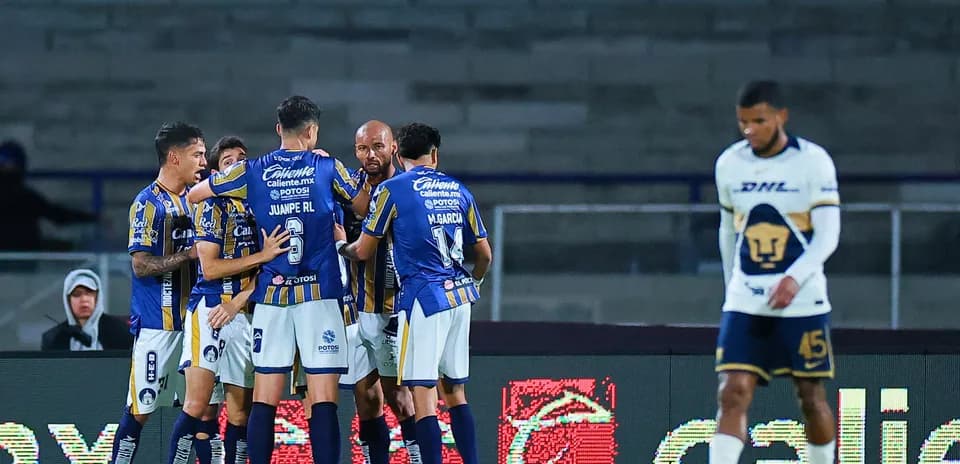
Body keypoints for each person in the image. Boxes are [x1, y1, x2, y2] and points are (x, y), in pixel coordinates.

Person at [187, 96, 369, 464]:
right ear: (312, 131)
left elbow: (196, 194)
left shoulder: (252, 170)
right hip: (320, 294)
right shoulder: (326, 166)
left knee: (265, 399)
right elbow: (363, 206)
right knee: (322, 399)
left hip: (271, 295)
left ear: (278, 130)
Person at [339, 122, 492, 464]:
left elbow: (362, 251)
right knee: (455, 392)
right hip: (459, 297)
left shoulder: (392, 191)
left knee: (422, 396)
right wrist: (475, 282)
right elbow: (484, 255)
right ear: (434, 153)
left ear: (397, 150)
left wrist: (340, 245)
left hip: (422, 299)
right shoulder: (458, 189)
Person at [710, 81, 841, 464]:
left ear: (782, 117)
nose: (750, 130)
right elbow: (728, 231)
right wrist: (731, 286)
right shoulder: (729, 164)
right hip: (746, 299)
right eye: (743, 122)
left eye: (759, 121)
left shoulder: (812, 162)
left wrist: (794, 278)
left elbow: (828, 234)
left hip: (802, 301)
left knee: (810, 396)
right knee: (731, 392)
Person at [167, 136, 290, 464]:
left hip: (245, 312)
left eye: (242, 158)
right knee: (198, 407)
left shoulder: (262, 204)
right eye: (228, 160)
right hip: (210, 309)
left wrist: (238, 301)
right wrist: (260, 257)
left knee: (239, 415)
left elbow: (275, 268)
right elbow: (208, 268)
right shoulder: (211, 204)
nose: (237, 164)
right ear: (217, 170)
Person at [109, 122, 207, 464]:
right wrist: (187, 255)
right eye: (197, 154)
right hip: (158, 326)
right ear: (174, 157)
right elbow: (141, 265)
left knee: (203, 412)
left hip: (197, 324)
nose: (204, 161)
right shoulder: (147, 204)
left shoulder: (199, 200)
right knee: (140, 410)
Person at [345, 120, 421, 463]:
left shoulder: (407, 187)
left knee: (400, 399)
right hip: (357, 306)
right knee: (367, 400)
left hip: (392, 309)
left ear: (393, 147)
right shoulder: (350, 185)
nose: (370, 154)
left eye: (378, 146)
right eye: (363, 148)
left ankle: (419, 456)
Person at [0, 139, 97, 251]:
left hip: (23, 259)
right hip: (24, 260)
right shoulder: (28, 198)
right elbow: (58, 215)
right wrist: (94, 218)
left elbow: (58, 215)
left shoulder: (28, 198)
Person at [42, 268, 133, 351]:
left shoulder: (120, 331)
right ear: (68, 300)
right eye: (77, 294)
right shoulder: (53, 338)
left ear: (97, 297)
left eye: (89, 293)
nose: (84, 299)